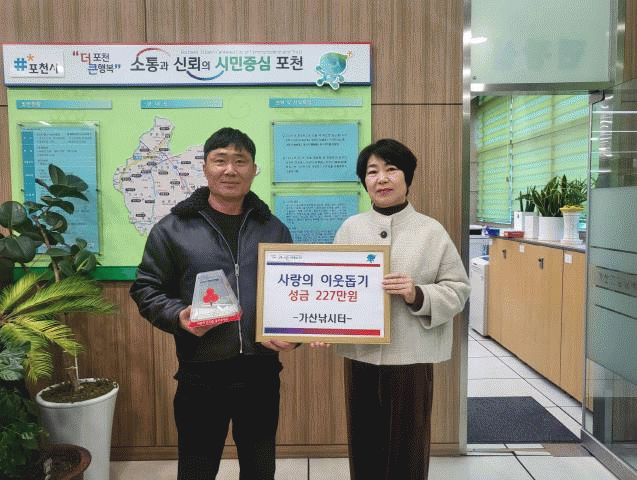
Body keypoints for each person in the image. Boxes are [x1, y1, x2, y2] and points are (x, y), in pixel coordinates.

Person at [130, 127, 296, 480]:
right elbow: (146, 289)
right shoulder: (173, 228)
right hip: (200, 376)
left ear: (254, 169)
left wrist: (292, 335)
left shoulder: (273, 229)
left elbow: (291, 294)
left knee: (260, 468)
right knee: (197, 468)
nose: (230, 170)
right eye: (220, 161)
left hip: (261, 375)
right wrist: (178, 316)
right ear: (204, 168)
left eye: (240, 161)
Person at [332, 138, 470, 480]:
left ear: (407, 178)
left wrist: (417, 294)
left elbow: (458, 289)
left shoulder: (430, 230)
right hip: (361, 354)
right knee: (363, 441)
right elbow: (332, 288)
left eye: (391, 169)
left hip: (412, 356)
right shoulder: (350, 228)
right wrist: (322, 327)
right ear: (364, 181)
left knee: (408, 446)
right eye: (372, 172)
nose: (381, 178)